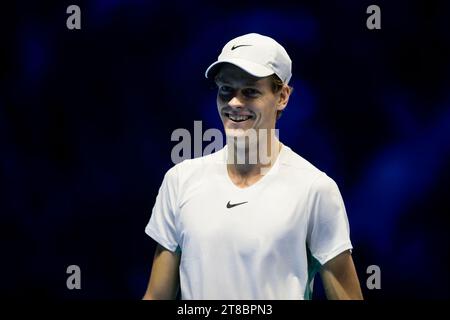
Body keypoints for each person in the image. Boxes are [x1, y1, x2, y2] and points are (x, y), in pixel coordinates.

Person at [142, 33, 363, 300]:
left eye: (249, 92)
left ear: (282, 97)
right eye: (226, 90)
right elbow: (156, 296)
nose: (234, 102)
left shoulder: (315, 189)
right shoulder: (179, 181)